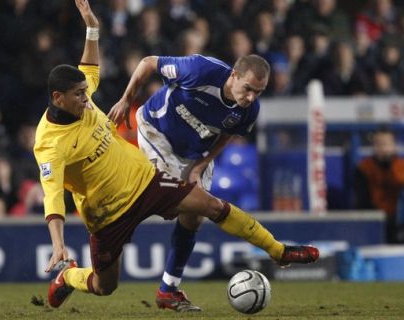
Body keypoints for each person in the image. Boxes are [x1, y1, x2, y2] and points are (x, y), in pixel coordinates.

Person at [35, 0, 319, 311]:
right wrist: (59, 245)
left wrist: (92, 26)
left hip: (144, 180)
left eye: (85, 92)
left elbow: (89, 68)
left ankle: (277, 252)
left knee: (208, 206)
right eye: (79, 95)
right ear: (58, 99)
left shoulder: (81, 94)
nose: (88, 99)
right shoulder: (50, 144)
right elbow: (52, 197)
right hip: (108, 209)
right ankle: (69, 278)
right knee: (105, 286)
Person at [107, 39, 277, 312]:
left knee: (194, 215)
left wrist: (201, 164)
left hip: (195, 151)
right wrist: (126, 99)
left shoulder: (249, 111)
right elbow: (148, 62)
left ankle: (168, 291)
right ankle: (107, 236)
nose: (251, 97)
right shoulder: (200, 70)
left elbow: (226, 134)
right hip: (157, 132)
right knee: (170, 202)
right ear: (234, 75)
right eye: (248, 89)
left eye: (259, 92)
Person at [354, 127, 404, 243]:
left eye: (386, 144)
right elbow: (362, 202)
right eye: (379, 144)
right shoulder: (363, 169)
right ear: (373, 147)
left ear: (394, 146)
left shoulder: (401, 168)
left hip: (398, 224)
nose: (383, 148)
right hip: (373, 223)